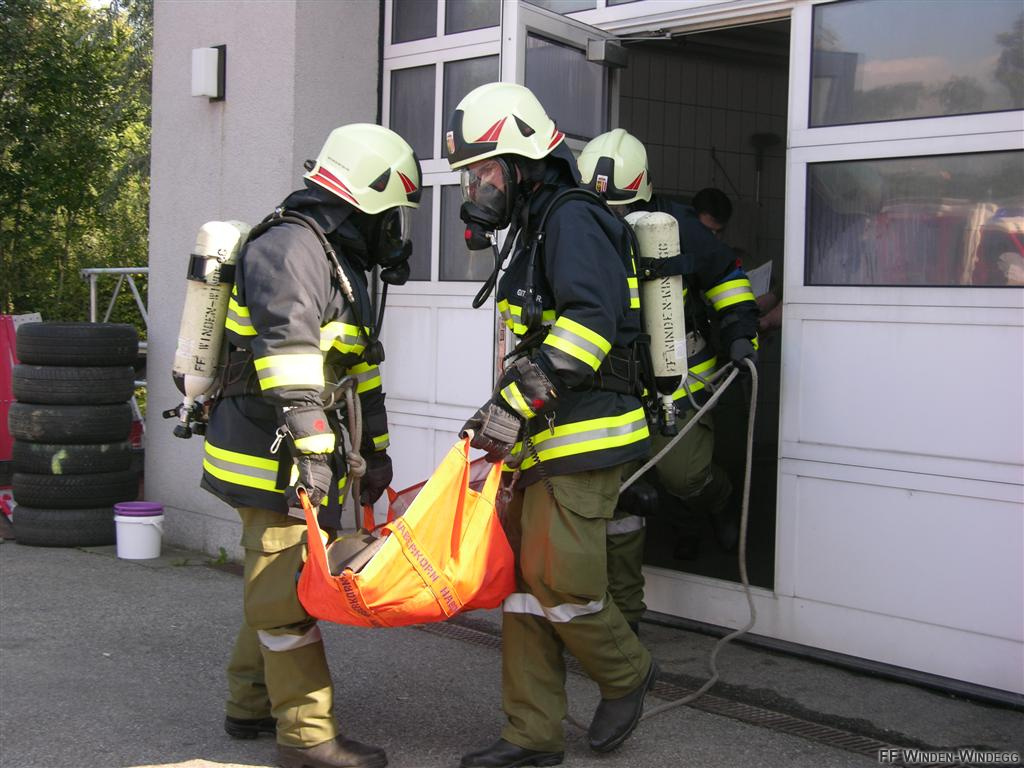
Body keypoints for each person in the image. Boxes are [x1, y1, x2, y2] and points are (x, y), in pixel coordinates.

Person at [446, 83, 657, 768]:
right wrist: (502, 411)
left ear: (524, 161)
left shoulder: (573, 218)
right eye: (471, 176)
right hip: (544, 431)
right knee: (523, 584)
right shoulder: (535, 226)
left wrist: (515, 403)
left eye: (485, 171)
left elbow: (590, 325)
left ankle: (627, 672)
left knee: (561, 579)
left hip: (585, 433)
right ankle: (531, 733)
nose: (477, 188)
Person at [200, 123, 421, 768]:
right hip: (268, 450)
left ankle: (249, 703)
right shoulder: (291, 247)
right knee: (283, 595)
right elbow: (289, 360)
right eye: (392, 213)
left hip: (300, 448)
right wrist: (317, 453)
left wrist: (376, 451)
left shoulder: (336, 258)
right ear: (367, 198)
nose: (394, 230)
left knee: (277, 581)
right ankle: (307, 740)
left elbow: (360, 368)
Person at [577, 129, 759, 631]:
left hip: (678, 381)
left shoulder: (676, 228)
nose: (612, 216)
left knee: (685, 477)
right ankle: (626, 612)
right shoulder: (577, 229)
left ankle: (718, 501)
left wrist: (740, 334)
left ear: (642, 193)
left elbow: (727, 278)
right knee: (622, 493)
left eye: (620, 206)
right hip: (611, 387)